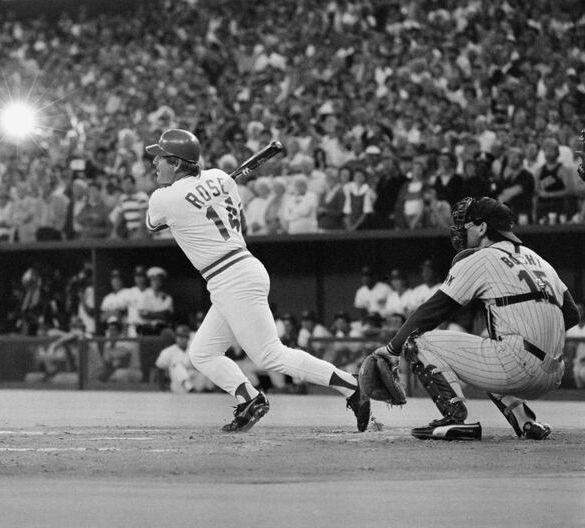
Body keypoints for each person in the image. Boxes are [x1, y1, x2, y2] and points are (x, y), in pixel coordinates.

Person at [144, 128, 370, 433]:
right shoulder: (221, 177)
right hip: (238, 270)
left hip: (231, 276)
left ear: (175, 163)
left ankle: (351, 385)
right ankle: (250, 399)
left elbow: (153, 225)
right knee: (202, 353)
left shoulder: (163, 197)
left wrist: (190, 206)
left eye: (160, 157)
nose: (154, 162)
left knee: (270, 355)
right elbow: (232, 216)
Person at [371, 197, 580, 441]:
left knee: (417, 342)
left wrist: (392, 348)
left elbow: (433, 311)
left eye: (465, 225)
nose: (460, 229)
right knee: (494, 348)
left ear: (482, 228)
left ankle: (456, 419)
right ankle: (526, 422)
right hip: (554, 373)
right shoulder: (538, 259)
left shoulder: (480, 258)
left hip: (518, 367)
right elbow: (571, 315)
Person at [154, 324, 213, 393]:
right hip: (180, 387)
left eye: (184, 337)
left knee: (207, 365)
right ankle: (190, 389)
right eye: (179, 336)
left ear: (188, 338)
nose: (182, 339)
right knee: (176, 366)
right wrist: (162, 387)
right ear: (175, 337)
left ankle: (208, 390)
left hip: (196, 383)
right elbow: (159, 368)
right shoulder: (168, 351)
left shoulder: (195, 349)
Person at [566, 301, 585, 389]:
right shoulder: (571, 327)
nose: (579, 312)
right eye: (577, 310)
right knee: (577, 375)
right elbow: (566, 343)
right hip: (574, 358)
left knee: (583, 374)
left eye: (580, 310)